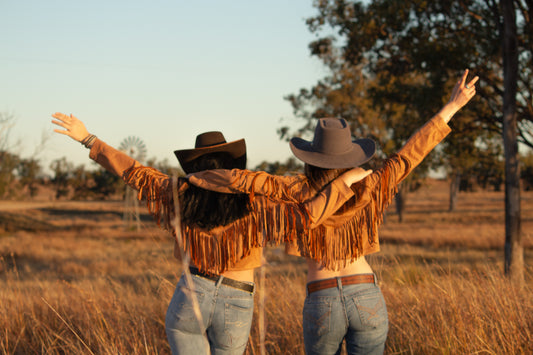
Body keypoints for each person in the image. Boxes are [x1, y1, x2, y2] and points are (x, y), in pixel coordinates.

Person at [186, 69, 479, 354]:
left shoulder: (297, 190)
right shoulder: (368, 184)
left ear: (311, 159)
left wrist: (199, 177)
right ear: (350, 156)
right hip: (365, 292)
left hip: (322, 295)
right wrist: (451, 107)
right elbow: (410, 154)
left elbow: (243, 179)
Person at [51, 113, 372, 355]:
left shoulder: (179, 192)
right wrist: (343, 184)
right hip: (237, 297)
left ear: (196, 165)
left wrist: (89, 139)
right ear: (234, 164)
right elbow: (305, 216)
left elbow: (133, 171)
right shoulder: (256, 198)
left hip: (192, 292)